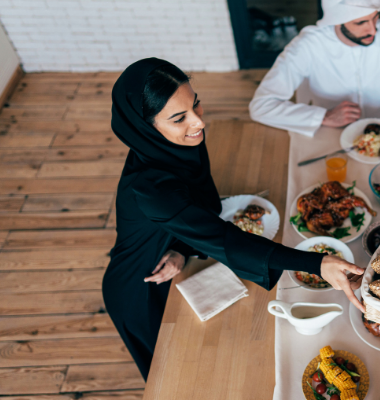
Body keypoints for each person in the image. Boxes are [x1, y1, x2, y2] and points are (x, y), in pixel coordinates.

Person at [103, 58, 365, 380]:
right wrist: (317, 263)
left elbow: (192, 207)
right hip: (138, 286)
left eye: (195, 105)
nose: (198, 122)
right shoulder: (150, 188)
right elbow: (225, 239)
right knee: (168, 369)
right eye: (179, 118)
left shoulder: (170, 143)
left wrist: (182, 249)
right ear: (146, 128)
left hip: (166, 256)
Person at [248, 0, 380, 164]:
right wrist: (324, 116)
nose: (373, 30)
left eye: (375, 18)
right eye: (361, 23)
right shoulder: (307, 46)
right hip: (327, 136)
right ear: (336, 20)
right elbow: (261, 106)